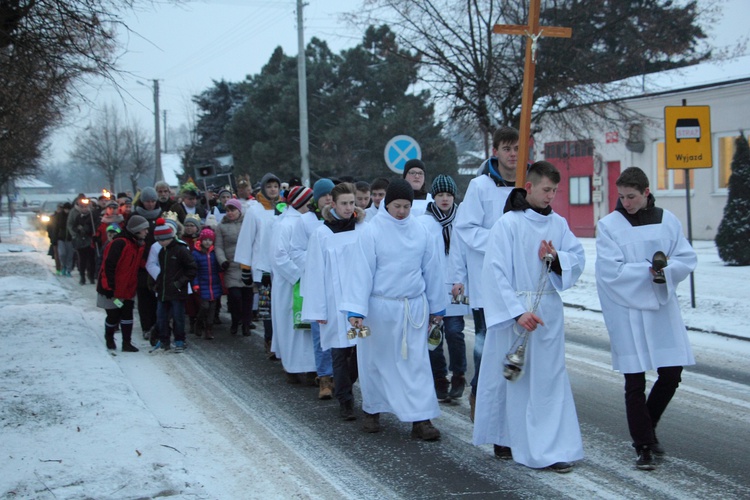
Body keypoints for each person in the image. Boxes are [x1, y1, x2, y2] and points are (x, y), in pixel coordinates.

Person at [472, 161, 585, 473]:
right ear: (530, 187)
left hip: (547, 311)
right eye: (546, 190)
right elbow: (493, 272)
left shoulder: (559, 225)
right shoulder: (508, 224)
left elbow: (578, 257)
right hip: (515, 312)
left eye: (555, 191)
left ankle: (551, 446)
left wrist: (556, 258)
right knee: (514, 378)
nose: (551, 196)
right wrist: (517, 312)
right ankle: (505, 437)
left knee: (548, 382)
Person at [595, 166, 697, 471]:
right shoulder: (610, 225)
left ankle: (647, 428)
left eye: (632, 197)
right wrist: (646, 271)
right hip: (627, 311)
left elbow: (686, 257)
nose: (626, 203)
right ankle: (643, 445)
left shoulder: (668, 221)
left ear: (646, 193)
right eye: (622, 197)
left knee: (671, 373)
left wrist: (665, 271)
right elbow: (609, 272)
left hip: (661, 306)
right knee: (634, 379)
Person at [342, 178, 447, 440]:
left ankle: (421, 419)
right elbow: (361, 272)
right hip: (380, 309)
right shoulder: (372, 230)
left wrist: (437, 307)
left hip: (412, 309)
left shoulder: (421, 231)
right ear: (386, 204)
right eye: (397, 206)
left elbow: (432, 269)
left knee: (416, 365)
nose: (401, 212)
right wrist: (356, 311)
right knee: (375, 362)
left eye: (406, 207)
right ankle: (373, 410)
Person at [453, 126, 519, 420]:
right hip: (488, 280)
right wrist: (499, 239)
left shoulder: (529, 183)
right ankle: (479, 391)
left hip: (521, 280)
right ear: (495, 152)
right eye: (507, 149)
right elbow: (465, 229)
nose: (513, 154)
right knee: (486, 341)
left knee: (516, 343)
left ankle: (513, 399)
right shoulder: (480, 187)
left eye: (517, 148)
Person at [302, 182, 366, 419]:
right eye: (344, 203)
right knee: (340, 352)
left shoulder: (363, 229)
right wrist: (318, 307)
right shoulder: (322, 233)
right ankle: (345, 401)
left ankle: (347, 386)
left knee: (360, 350)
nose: (349, 208)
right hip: (334, 301)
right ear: (333, 204)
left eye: (352, 202)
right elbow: (315, 273)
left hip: (359, 301)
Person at [418, 175, 469, 403]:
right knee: (434, 335)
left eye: (449, 195)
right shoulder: (424, 222)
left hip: (457, 285)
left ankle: (458, 374)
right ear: (434, 196)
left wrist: (464, 278)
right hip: (434, 286)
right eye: (440, 195)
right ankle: (439, 378)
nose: (445, 199)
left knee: (456, 333)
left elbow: (466, 253)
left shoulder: (463, 219)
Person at [290, 178, 335, 397]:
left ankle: (342, 377)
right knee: (320, 334)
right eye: (324, 195)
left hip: (337, 286)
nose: (328, 198)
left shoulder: (341, 218)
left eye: (330, 194)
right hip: (316, 284)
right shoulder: (306, 221)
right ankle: (324, 378)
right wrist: (317, 260)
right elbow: (296, 251)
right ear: (316, 198)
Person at [269, 186, 317, 384]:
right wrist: (299, 275)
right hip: (290, 284)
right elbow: (278, 256)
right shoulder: (285, 224)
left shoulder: (307, 221)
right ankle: (292, 366)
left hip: (307, 280)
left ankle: (310, 366)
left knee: (307, 326)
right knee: (291, 326)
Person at [96, 214, 150, 352]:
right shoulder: (119, 243)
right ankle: (109, 338)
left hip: (127, 289)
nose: (147, 232)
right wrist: (109, 287)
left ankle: (126, 342)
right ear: (136, 230)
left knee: (127, 315)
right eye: (144, 229)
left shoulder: (138, 245)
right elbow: (108, 266)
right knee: (113, 315)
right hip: (113, 290)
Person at [152, 218, 197, 352]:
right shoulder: (162, 251)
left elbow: (192, 269)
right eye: (158, 240)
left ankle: (179, 341)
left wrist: (180, 283)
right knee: (162, 317)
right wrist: (158, 284)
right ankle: (164, 340)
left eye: (163, 239)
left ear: (170, 237)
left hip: (177, 291)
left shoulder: (181, 250)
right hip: (164, 290)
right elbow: (163, 271)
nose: (160, 243)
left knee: (178, 318)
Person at [215, 198, 254, 336]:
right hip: (231, 266)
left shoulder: (247, 223)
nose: (230, 213)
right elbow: (218, 246)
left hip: (246, 265)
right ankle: (235, 319)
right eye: (228, 210)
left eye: (233, 210)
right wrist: (222, 261)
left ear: (239, 210)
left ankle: (246, 323)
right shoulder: (221, 226)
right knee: (235, 296)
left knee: (247, 296)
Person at [191, 228, 223, 340]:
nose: (207, 242)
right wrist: (195, 284)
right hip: (203, 284)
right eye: (205, 240)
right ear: (201, 240)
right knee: (204, 306)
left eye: (210, 240)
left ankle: (209, 329)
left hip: (214, 284)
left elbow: (219, 268)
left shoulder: (215, 253)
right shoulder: (196, 254)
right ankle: (199, 323)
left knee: (212, 308)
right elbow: (194, 271)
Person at [67, 194, 99, 285]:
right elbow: (73, 227)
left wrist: (88, 229)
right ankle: (82, 277)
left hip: (90, 240)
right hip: (81, 241)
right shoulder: (78, 216)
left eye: (86, 207)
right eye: (82, 207)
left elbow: (95, 226)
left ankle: (91, 276)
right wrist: (78, 230)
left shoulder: (92, 216)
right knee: (82, 260)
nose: (84, 209)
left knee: (91, 259)